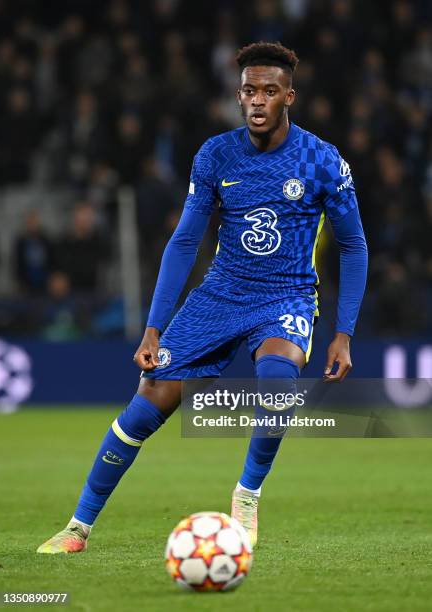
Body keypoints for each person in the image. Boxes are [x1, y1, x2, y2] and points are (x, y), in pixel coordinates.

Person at [37, 42, 367, 554]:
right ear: (239, 96)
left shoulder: (322, 161)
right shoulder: (216, 154)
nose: (258, 101)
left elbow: (353, 244)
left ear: (289, 97)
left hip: (286, 295)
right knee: (146, 408)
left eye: (270, 91)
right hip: (218, 296)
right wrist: (153, 326)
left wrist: (343, 333)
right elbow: (186, 241)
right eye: (249, 91)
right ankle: (77, 528)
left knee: (277, 381)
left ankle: (248, 494)